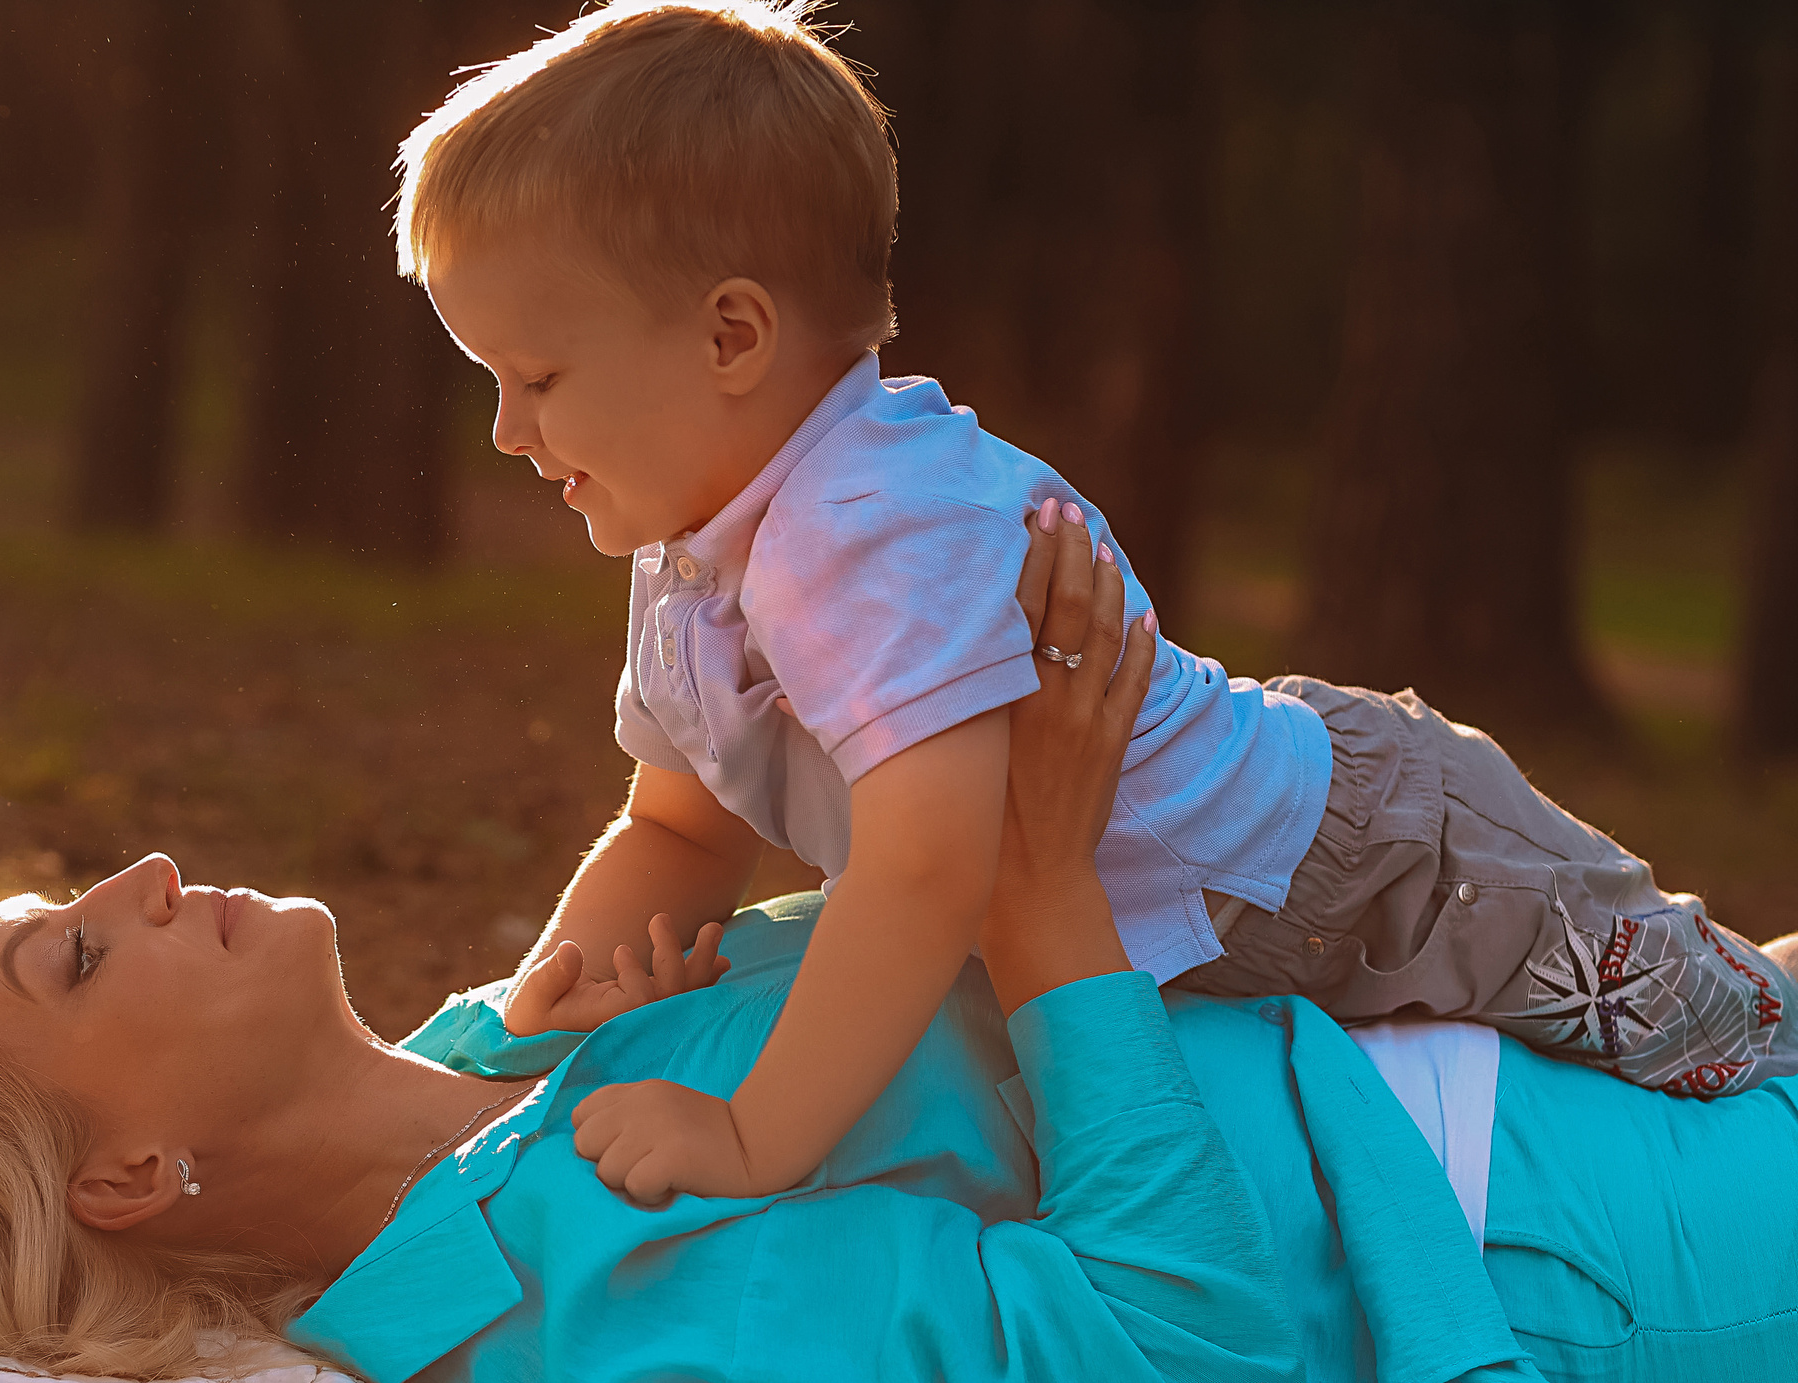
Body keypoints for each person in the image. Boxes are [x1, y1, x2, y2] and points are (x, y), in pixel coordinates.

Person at [0, 519, 1798, 1383]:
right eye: (77, 961)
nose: (137, 877)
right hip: (1554, 1251)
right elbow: (1173, 1362)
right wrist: (1039, 895)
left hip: (1501, 1072)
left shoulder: (511, 1070)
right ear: (126, 1175)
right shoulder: (587, 1295)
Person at [388, 0, 1797, 1209]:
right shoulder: (694, 554)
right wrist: (542, 1009)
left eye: (538, 378)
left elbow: (926, 872)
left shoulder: (873, 526)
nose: (507, 430)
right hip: (1223, 926)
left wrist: (754, 1134)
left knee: (1715, 1038)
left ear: (731, 335)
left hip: (1377, 867)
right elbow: (679, 827)